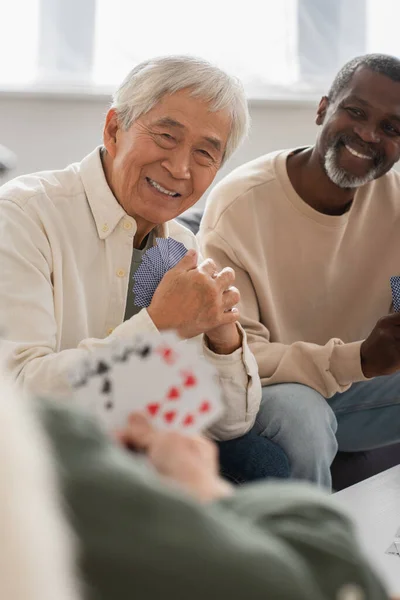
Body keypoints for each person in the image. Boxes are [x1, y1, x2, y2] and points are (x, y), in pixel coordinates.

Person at [0, 55, 288, 481]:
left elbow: (229, 424)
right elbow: (21, 397)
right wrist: (161, 327)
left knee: (262, 461)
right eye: (166, 137)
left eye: (205, 153)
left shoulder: (180, 246)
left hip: (135, 450)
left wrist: (222, 340)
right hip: (41, 461)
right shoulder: (23, 216)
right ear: (114, 129)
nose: (179, 168)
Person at [0, 368, 386, 600]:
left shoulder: (183, 249)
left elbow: (232, 415)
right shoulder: (34, 443)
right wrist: (200, 483)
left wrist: (224, 343)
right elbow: (331, 580)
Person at [200, 53, 400, 489]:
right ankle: (314, 554)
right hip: (272, 390)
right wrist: (360, 358)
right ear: (323, 108)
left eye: (391, 128)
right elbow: (238, 358)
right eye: (356, 112)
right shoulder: (239, 205)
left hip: (354, 387)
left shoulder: (396, 203)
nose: (368, 134)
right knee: (303, 416)